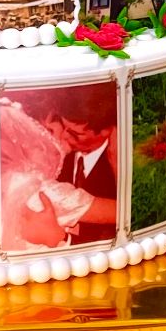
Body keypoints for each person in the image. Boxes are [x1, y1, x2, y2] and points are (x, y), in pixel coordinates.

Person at [0, 99, 115, 251]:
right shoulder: (47, 191)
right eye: (49, 132)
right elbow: (123, 213)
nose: (63, 137)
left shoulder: (7, 179)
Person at [56, 92, 118, 244]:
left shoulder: (118, 166)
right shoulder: (58, 157)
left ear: (106, 131)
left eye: (74, 133)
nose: (64, 136)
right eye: (64, 127)